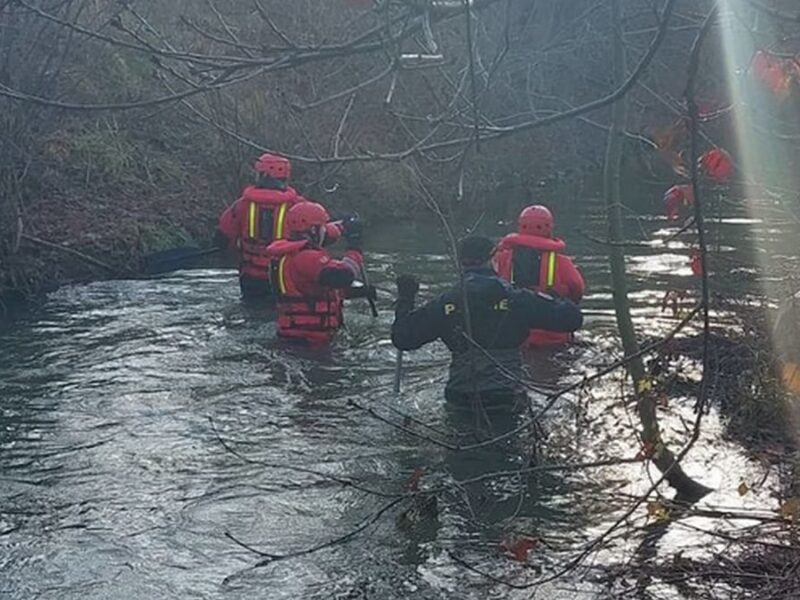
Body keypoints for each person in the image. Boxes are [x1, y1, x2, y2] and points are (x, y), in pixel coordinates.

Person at [391, 236, 583, 410]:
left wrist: (405, 300)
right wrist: (555, 297)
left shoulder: (446, 302)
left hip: (460, 399)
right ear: (493, 259)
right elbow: (572, 319)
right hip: (505, 397)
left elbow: (403, 338)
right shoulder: (516, 298)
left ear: (460, 262)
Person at [214, 153, 341, 300]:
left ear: (263, 175)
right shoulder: (298, 206)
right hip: (283, 276)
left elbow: (221, 238)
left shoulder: (241, 205)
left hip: (251, 278)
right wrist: (341, 228)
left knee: (252, 310)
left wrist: (237, 252)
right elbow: (325, 235)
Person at [265, 201, 365, 346]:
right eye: (322, 227)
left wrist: (343, 226)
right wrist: (354, 248)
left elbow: (313, 290)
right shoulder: (306, 258)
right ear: (313, 230)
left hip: (294, 336)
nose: (325, 230)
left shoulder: (287, 252)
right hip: (311, 342)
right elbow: (343, 276)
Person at [492, 205, 585, 347]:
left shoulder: (501, 258)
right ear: (549, 227)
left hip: (514, 338)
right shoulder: (562, 262)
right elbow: (577, 290)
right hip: (554, 338)